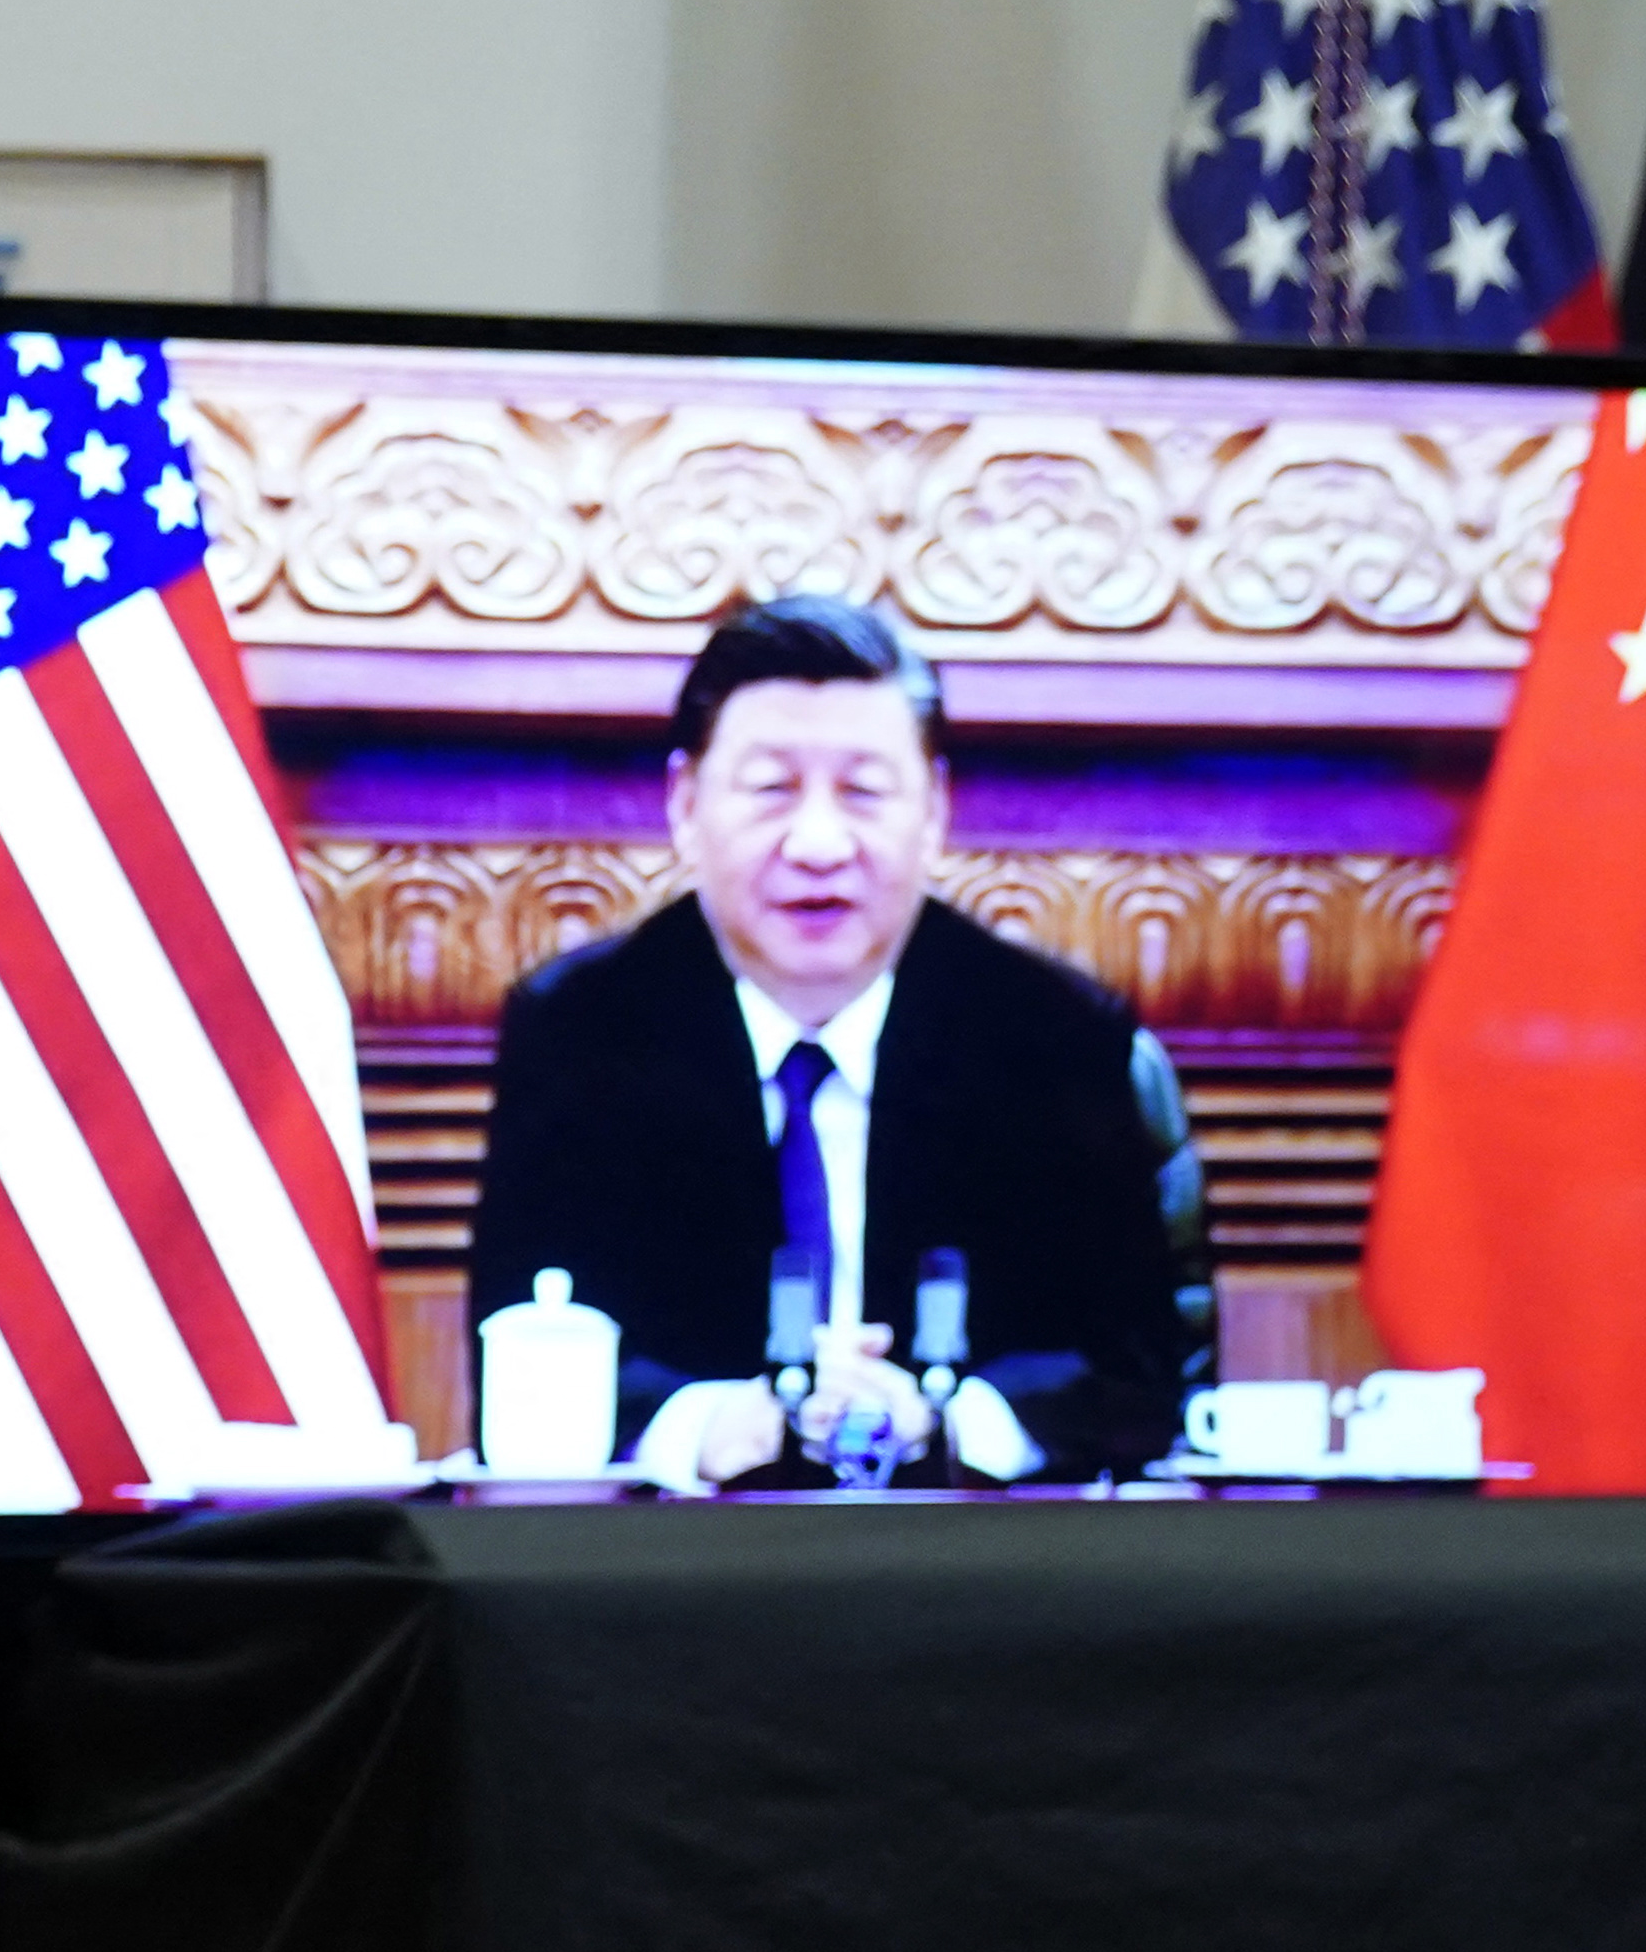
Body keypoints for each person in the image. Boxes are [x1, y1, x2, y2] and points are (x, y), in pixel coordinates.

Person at [462, 596, 1209, 1484]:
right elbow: (525, 1356)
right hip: (680, 1578)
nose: (819, 843)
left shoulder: (1054, 1038)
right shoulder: (585, 1033)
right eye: (772, 790)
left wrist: (945, 1422)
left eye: (863, 792)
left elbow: (1136, 1377)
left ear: (933, 811)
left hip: (987, 1577)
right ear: (685, 803)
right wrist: (708, 1423)